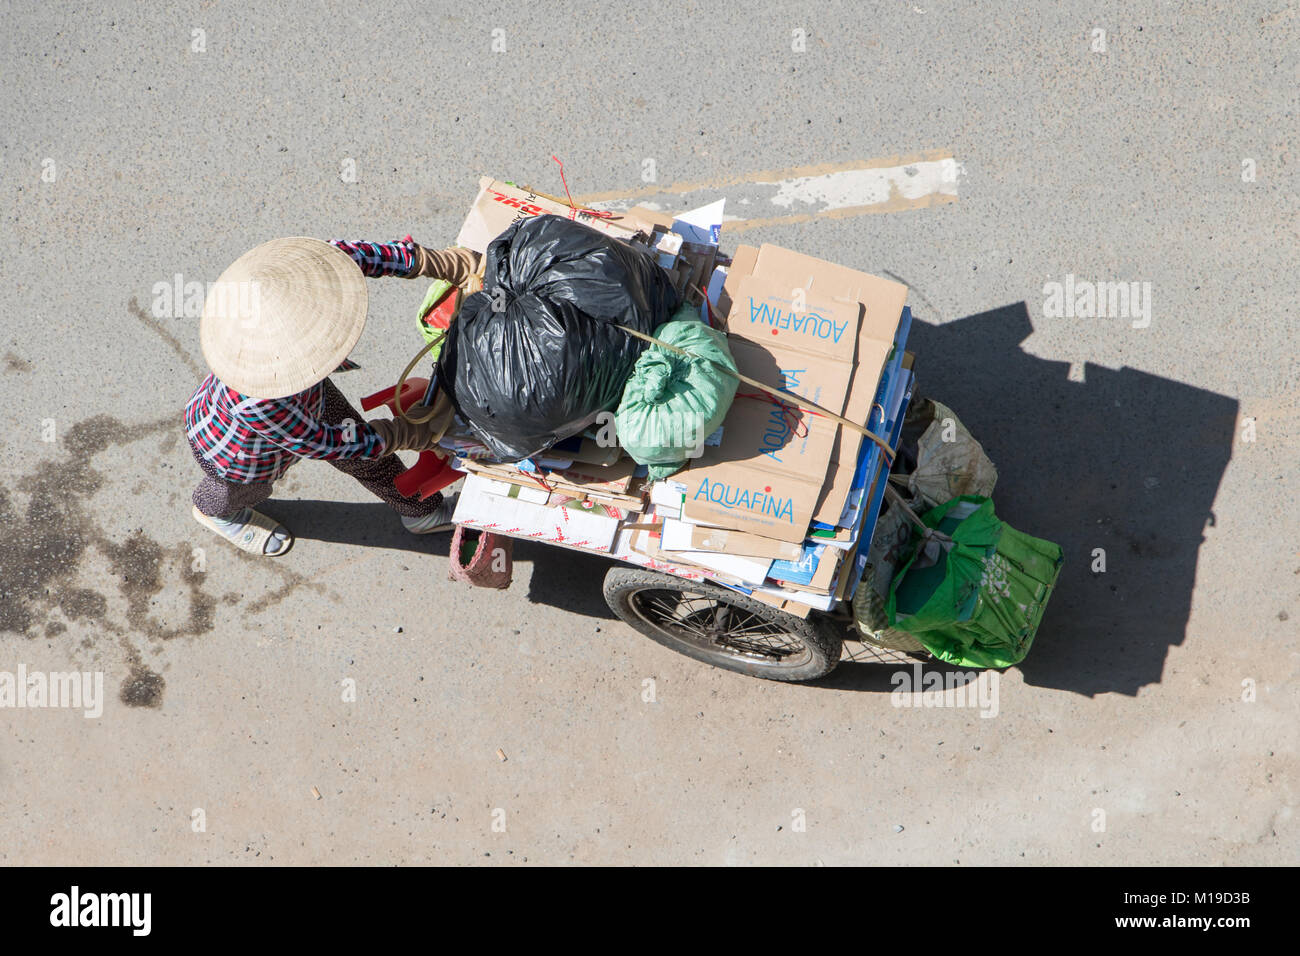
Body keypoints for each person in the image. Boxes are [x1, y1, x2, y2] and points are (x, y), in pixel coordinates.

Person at [185, 235, 479, 556]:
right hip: (239, 454)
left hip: (311, 398)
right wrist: (405, 433)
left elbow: (354, 256)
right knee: (237, 491)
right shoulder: (260, 402)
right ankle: (216, 513)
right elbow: (324, 444)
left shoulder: (294, 271)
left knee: (371, 458)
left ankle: (419, 511)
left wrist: (443, 264)